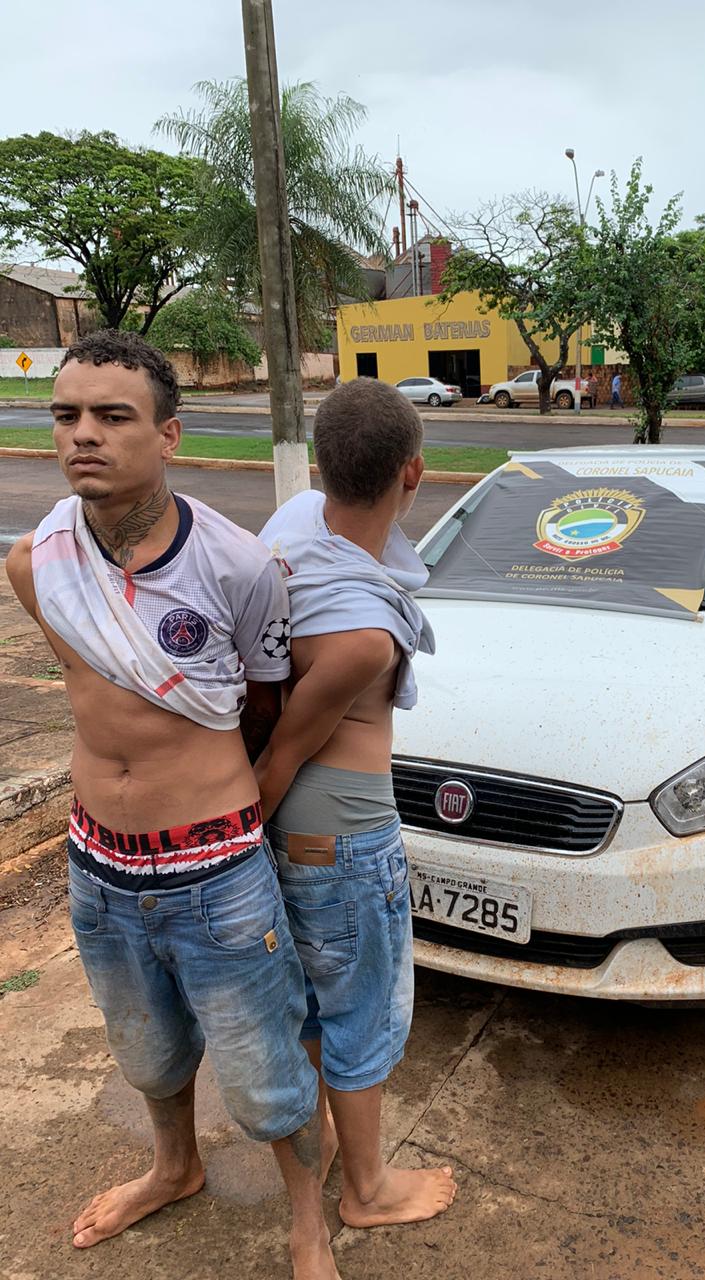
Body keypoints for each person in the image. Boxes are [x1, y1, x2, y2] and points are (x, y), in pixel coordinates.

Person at [5, 331, 338, 1280]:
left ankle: (308, 1222)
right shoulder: (37, 564)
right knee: (145, 1050)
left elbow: (264, 707)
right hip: (97, 863)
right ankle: (174, 1167)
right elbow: (90, 688)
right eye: (67, 415)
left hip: (216, 868)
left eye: (113, 416)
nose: (83, 435)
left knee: (267, 1070)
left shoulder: (239, 567)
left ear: (169, 435)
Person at [256, 379, 458, 1230]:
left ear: (320, 464)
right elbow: (284, 752)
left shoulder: (293, 527)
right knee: (366, 1009)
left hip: (301, 832)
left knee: (313, 995)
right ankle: (369, 1191)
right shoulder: (364, 638)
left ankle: (335, 1136)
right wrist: (240, 843)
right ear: (412, 473)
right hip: (342, 836)